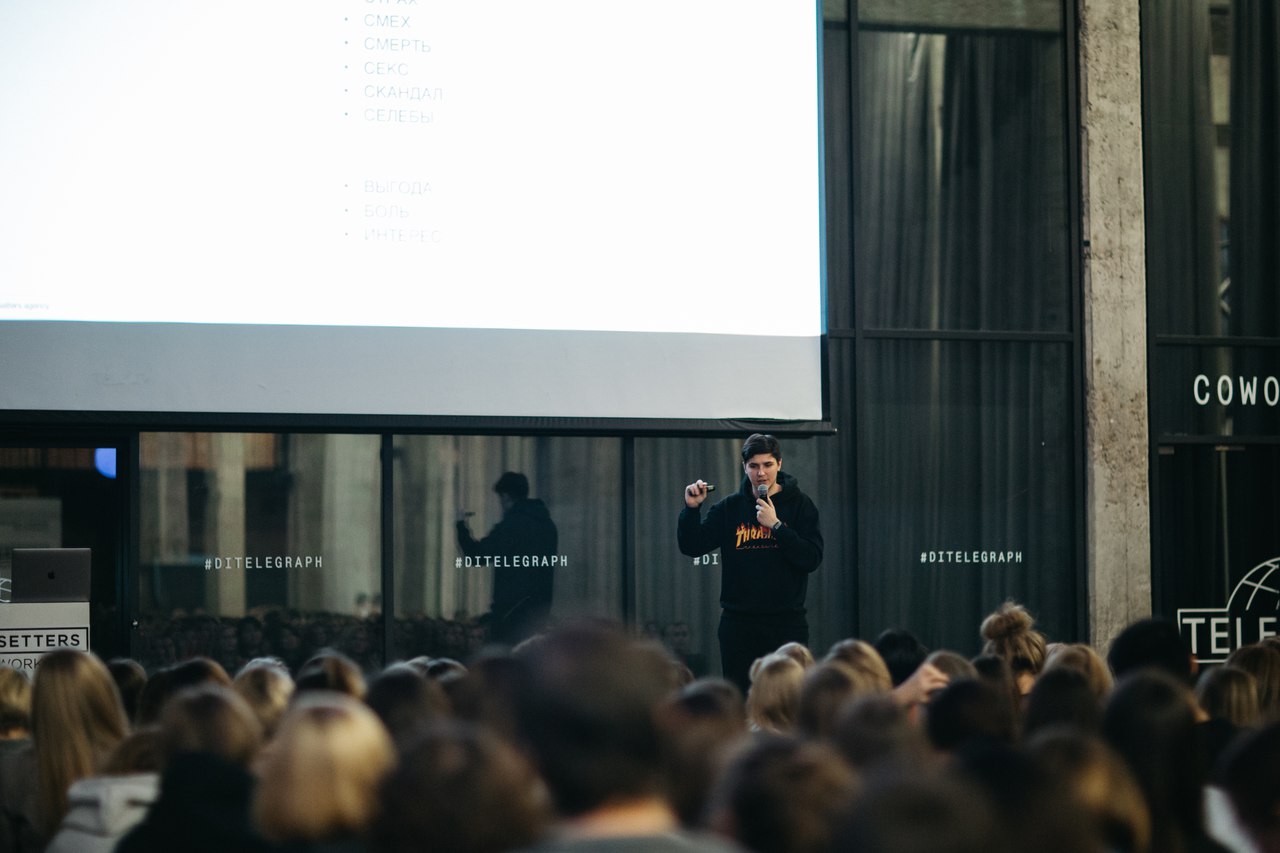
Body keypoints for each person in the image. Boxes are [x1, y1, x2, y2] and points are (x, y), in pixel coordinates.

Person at [679, 433, 823, 693]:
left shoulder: (800, 505)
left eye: (768, 464)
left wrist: (776, 526)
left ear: (779, 464)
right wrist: (691, 509)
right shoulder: (729, 508)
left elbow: (810, 558)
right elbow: (692, 546)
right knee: (740, 698)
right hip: (739, 624)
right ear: (744, 467)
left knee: (788, 699)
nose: (761, 473)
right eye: (754, 466)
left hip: (786, 623)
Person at [456, 471, 559, 645]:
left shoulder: (511, 525)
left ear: (505, 496)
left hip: (510, 617)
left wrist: (461, 525)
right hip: (539, 615)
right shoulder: (548, 526)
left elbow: (476, 556)